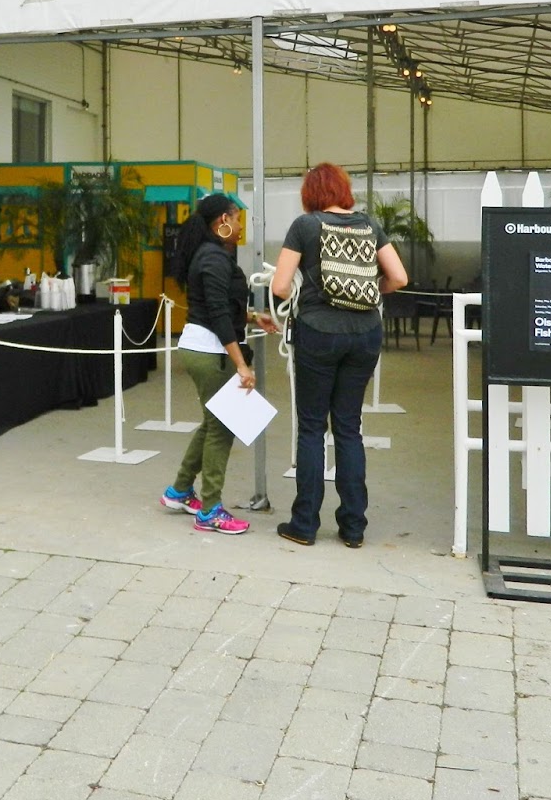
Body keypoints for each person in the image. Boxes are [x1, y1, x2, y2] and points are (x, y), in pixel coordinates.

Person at [270, 163, 408, 549]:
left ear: (310, 193)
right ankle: (353, 527)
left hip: (318, 333)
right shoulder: (369, 224)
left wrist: (304, 296)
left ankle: (304, 524)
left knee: (312, 428)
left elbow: (280, 286)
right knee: (349, 427)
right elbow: (399, 278)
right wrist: (368, 291)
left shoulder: (305, 226)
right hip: (365, 334)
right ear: (344, 190)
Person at [160, 194, 278, 535]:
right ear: (222, 221)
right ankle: (210, 510)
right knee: (221, 428)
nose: (241, 226)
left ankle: (180, 490)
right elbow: (217, 314)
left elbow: (221, 305)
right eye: (237, 218)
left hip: (205, 347)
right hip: (210, 351)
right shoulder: (212, 257)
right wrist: (241, 364)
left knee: (212, 423)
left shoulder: (212, 254)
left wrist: (253, 317)